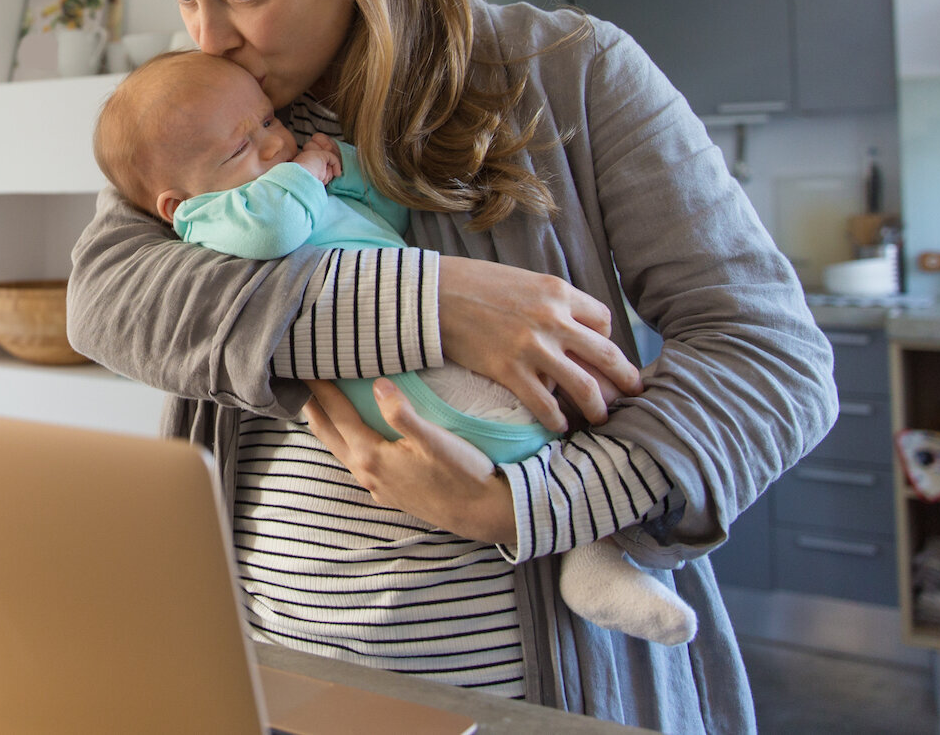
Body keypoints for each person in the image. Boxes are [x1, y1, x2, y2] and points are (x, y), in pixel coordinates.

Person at [67, 0, 835, 732]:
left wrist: (535, 502)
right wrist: (431, 304)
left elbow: (774, 355)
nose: (206, 35)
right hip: (272, 684)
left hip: (538, 695)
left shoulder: (572, 75)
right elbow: (107, 297)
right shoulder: (203, 105)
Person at [93, 48, 699, 645]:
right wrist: (312, 175)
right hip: (400, 401)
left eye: (269, 121)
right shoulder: (212, 215)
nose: (275, 144)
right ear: (174, 205)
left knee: (579, 415)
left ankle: (594, 558)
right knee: (514, 434)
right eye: (240, 147)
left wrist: (346, 170)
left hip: (447, 399)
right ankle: (586, 554)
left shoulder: (579, 62)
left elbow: (388, 213)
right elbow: (262, 233)